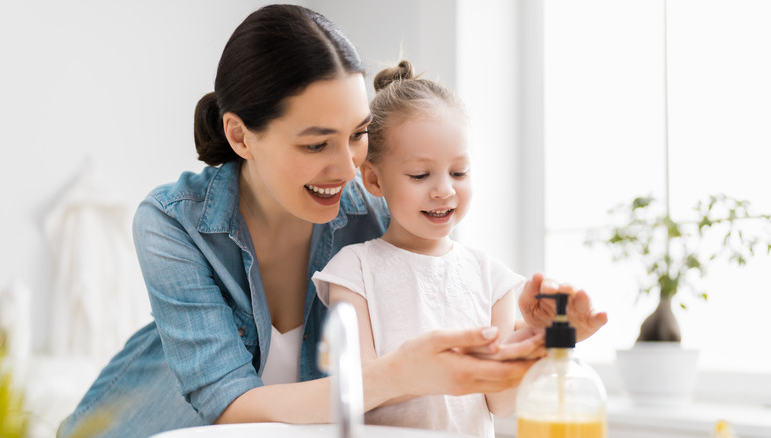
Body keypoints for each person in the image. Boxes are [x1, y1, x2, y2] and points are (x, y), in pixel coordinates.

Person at [57, 5, 607, 438]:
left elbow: (452, 316)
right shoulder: (172, 224)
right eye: (318, 142)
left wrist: (537, 340)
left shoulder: (377, 216)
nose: (349, 167)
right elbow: (229, 406)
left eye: (358, 134)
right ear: (240, 135)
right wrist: (400, 373)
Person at [311, 61, 551, 437]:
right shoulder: (353, 270)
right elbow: (356, 392)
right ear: (374, 179)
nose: (444, 190)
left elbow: (501, 404)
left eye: (459, 172)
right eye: (421, 175)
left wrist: (540, 340)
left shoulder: (493, 277)